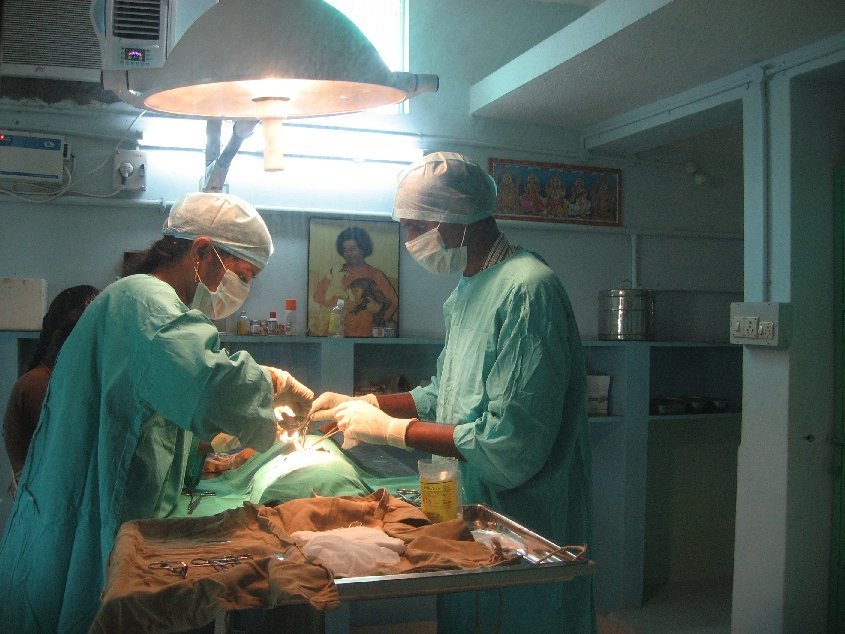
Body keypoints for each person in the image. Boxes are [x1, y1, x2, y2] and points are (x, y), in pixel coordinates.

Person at [0, 192, 313, 632]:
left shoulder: (145, 304)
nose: (241, 290)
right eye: (241, 275)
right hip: (83, 516)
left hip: (91, 507)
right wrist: (276, 384)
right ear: (201, 252)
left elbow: (150, 412)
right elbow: (209, 385)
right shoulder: (143, 301)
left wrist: (207, 445)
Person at [310, 152, 595, 632]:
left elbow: (508, 441)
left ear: (458, 218)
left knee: (522, 617)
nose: (410, 241)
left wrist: (393, 431)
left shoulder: (528, 290)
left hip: (524, 512)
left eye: (416, 227)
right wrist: (368, 403)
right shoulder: (467, 290)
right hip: (472, 501)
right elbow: (444, 393)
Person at [3, 284, 100, 496]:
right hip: (46, 505)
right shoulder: (37, 384)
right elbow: (74, 454)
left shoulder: (67, 382)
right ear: (61, 338)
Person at [312, 226, 398, 336]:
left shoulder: (376, 274)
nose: (349, 253)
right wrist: (340, 302)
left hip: (367, 336)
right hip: (339, 334)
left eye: (353, 249)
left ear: (363, 249)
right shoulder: (337, 271)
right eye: (345, 250)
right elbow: (318, 297)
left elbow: (393, 302)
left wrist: (379, 318)